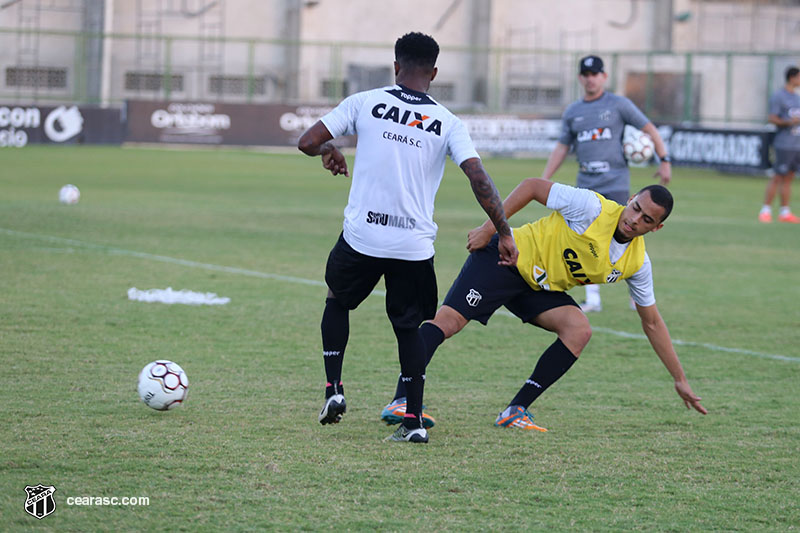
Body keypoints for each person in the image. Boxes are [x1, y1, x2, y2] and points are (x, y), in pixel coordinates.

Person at [297, 32, 517, 444]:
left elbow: (307, 142)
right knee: (410, 328)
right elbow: (478, 177)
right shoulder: (448, 121)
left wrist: (330, 148)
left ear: (396, 66)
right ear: (434, 73)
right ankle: (413, 420)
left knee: (337, 300)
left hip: (362, 237)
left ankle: (334, 389)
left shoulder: (365, 101)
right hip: (412, 246)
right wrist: (503, 231)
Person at [386, 177, 707, 431]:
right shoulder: (592, 208)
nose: (634, 219)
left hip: (538, 287)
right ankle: (401, 400)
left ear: (656, 228)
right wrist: (489, 229)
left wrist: (679, 378)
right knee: (448, 323)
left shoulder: (637, 263)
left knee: (579, 330)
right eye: (635, 207)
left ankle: (515, 410)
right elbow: (532, 187)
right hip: (507, 259)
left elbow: (652, 322)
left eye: (646, 219)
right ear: (631, 198)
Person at [542, 55, 672, 312]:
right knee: (585, 239)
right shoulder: (573, 112)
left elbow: (649, 128)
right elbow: (562, 147)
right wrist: (545, 177)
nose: (590, 79)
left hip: (614, 183)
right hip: (586, 184)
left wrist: (664, 159)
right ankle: (593, 298)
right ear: (580, 78)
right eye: (586, 74)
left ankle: (636, 294)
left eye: (595, 74)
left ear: (604, 77)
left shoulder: (619, 105)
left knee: (627, 234)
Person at [758, 66, 800, 224]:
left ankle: (785, 212)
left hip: (796, 144)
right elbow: (772, 118)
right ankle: (765, 210)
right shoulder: (778, 96)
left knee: (789, 178)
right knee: (777, 177)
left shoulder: (797, 98)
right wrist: (789, 122)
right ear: (792, 78)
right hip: (784, 144)